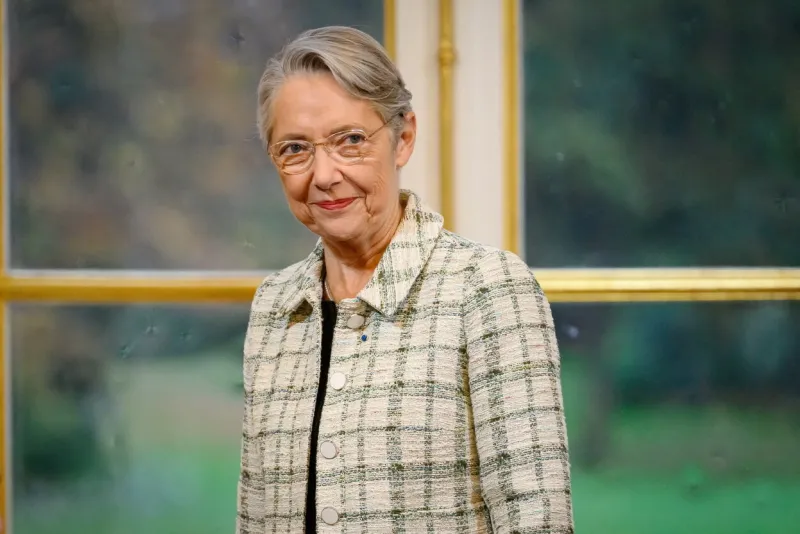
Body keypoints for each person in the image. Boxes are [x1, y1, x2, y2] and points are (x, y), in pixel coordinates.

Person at [237, 26, 574, 534]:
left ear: (404, 138)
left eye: (349, 141)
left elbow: (537, 523)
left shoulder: (488, 288)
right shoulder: (274, 306)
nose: (324, 175)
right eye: (295, 149)